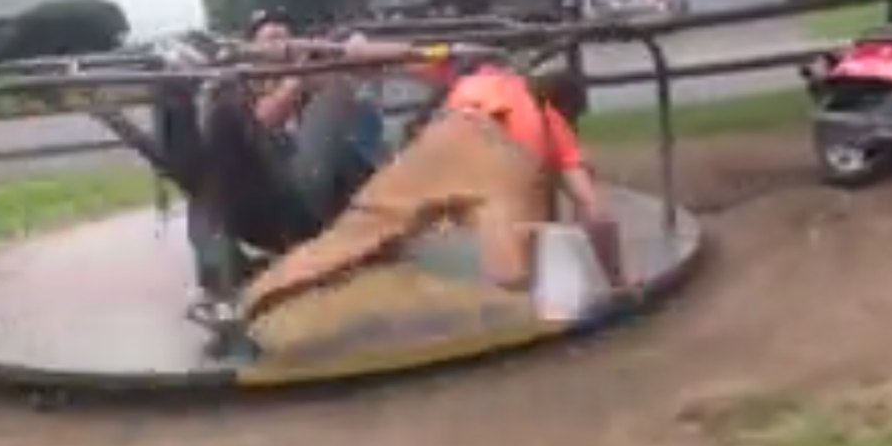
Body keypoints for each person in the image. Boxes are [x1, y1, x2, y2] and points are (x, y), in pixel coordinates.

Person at [237, 60, 628, 323]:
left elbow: (409, 64)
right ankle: (507, 311)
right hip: (507, 160)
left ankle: (249, 305)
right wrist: (620, 283)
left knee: (357, 230)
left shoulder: (485, 78)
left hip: (446, 135)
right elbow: (598, 214)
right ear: (566, 107)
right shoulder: (551, 120)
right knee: (512, 270)